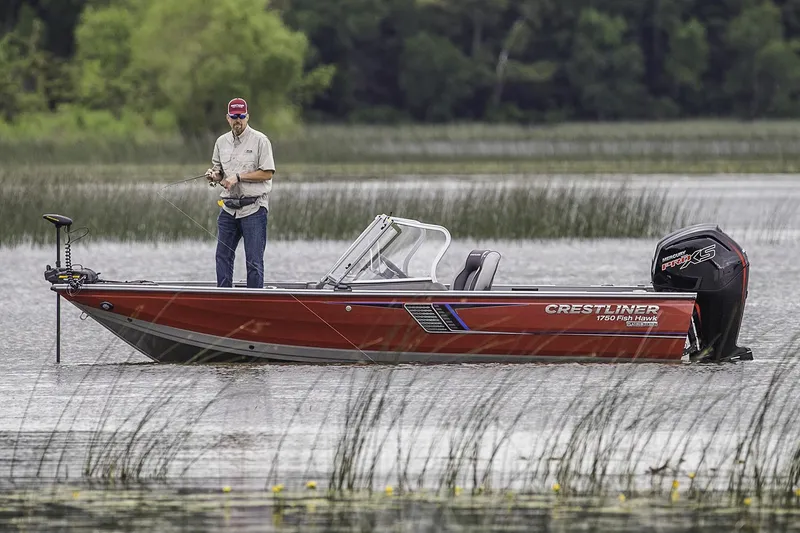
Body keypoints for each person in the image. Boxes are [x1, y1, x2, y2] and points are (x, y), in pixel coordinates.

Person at [205, 98, 275, 288]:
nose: (238, 120)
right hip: (228, 208)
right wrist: (214, 175)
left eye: (241, 116)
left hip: (254, 208)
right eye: (234, 116)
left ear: (247, 116)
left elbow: (267, 173)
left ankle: (255, 303)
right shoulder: (221, 142)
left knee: (253, 261)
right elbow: (219, 171)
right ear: (228, 118)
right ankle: (224, 300)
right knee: (222, 257)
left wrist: (238, 177)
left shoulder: (261, 140)